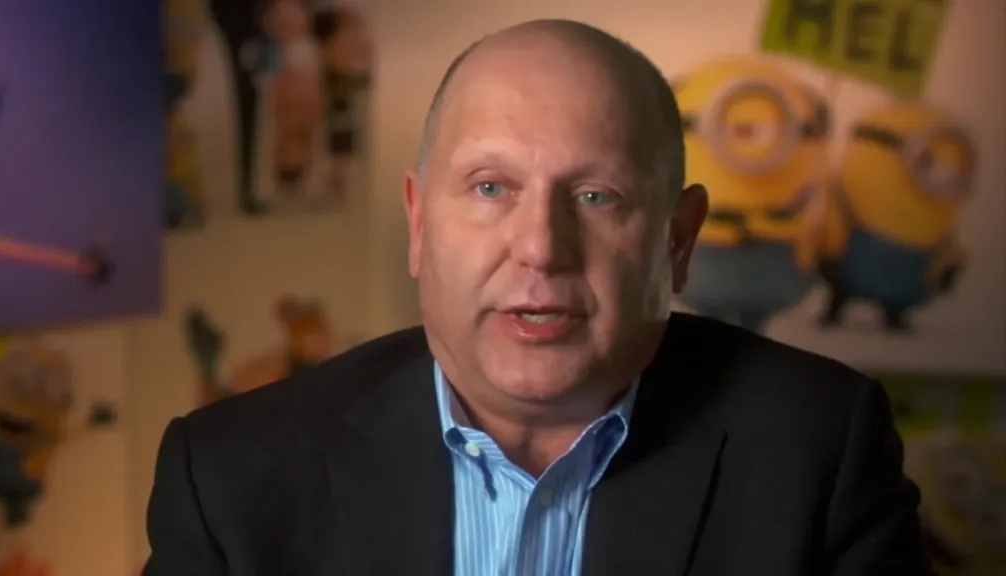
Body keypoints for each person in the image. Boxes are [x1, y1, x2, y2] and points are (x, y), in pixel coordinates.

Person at [142, 19, 931, 576]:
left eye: (596, 197)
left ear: (678, 241)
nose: (542, 248)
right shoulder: (231, 479)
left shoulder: (818, 452)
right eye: (491, 187)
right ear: (419, 224)